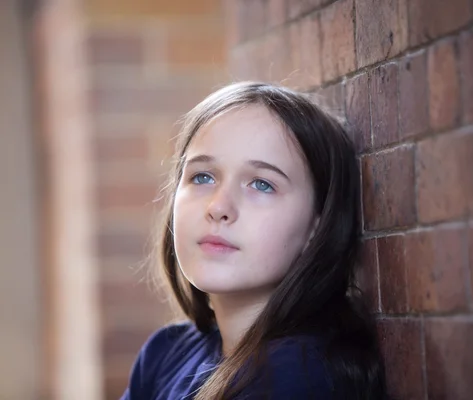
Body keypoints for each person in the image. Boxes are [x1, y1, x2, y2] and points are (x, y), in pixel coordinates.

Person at [120, 82, 387, 400]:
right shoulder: (164, 355)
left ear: (318, 224)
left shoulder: (300, 378)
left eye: (261, 184)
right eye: (202, 176)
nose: (218, 207)